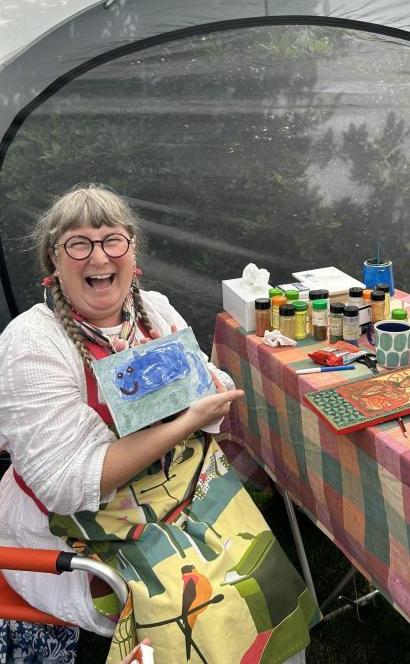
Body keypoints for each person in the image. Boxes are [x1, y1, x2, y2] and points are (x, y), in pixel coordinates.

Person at [0, 185, 317, 664]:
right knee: (204, 610)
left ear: (132, 252)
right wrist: (183, 420)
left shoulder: (153, 308)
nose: (98, 256)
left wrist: (199, 393)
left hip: (186, 494)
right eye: (78, 244)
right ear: (54, 261)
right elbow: (65, 486)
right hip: (86, 529)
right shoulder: (32, 343)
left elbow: (210, 388)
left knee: (263, 576)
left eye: (113, 240)